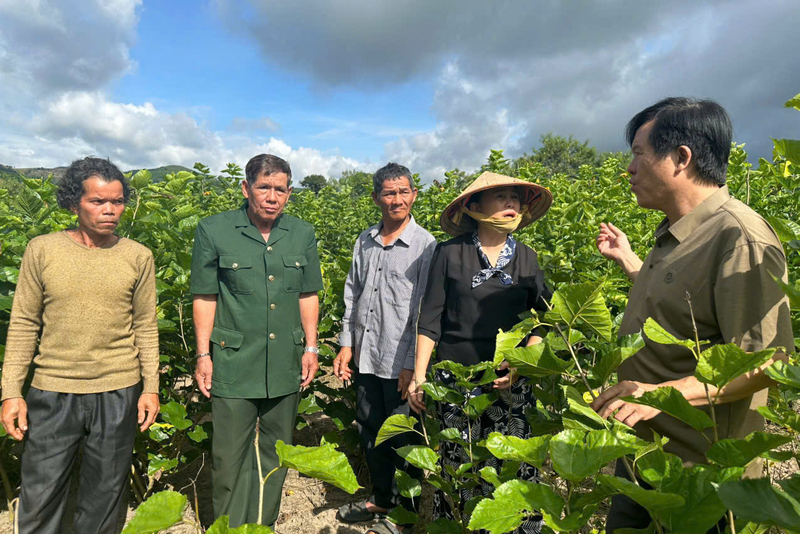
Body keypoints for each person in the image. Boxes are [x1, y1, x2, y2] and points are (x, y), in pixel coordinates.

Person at [591, 97, 795, 533]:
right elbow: (682, 313)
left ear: (681, 158)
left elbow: (767, 362)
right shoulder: (676, 232)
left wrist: (657, 395)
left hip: (701, 480)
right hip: (646, 457)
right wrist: (629, 262)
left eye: (638, 154)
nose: (628, 168)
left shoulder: (739, 238)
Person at [1, 157, 160, 534]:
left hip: (118, 390)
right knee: (40, 495)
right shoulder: (42, 250)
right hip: (53, 389)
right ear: (74, 203)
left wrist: (150, 386)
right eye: (98, 201)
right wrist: (10, 391)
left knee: (104, 498)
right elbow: (24, 323)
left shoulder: (137, 256)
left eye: (118, 202)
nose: (110, 210)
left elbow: (145, 326)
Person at [408, 171, 553, 534]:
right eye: (501, 197)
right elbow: (430, 320)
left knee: (514, 463)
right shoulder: (449, 253)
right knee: (460, 462)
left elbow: (545, 320)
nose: (511, 204)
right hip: (458, 379)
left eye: (516, 199)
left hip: (510, 380)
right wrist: (420, 376)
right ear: (474, 207)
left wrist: (523, 362)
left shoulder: (528, 259)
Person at [191, 154, 323, 528]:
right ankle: (232, 527)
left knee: (275, 454)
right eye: (263, 187)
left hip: (286, 358)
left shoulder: (302, 233)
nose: (271, 196)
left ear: (289, 193)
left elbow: (307, 295)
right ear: (246, 188)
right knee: (229, 456)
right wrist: (204, 354)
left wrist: (311, 347)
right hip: (234, 359)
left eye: (280, 189)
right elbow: (205, 296)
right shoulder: (214, 230)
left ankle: (262, 524)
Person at [332, 163, 435, 534]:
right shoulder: (365, 240)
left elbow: (425, 308)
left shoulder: (426, 246)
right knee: (371, 428)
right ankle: (381, 498)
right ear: (377, 197)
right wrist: (346, 343)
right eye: (389, 193)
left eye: (404, 192)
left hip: (400, 359)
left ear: (414, 195)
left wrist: (412, 364)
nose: (397, 200)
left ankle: (404, 515)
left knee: (403, 435)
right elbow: (353, 292)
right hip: (367, 354)